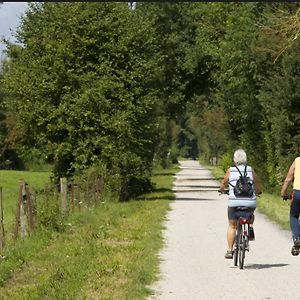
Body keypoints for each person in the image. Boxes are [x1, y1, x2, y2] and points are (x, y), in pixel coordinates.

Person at [219, 149, 262, 259]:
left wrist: (222, 189)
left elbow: (224, 182)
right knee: (251, 214)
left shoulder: (231, 170)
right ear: (246, 160)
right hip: (250, 202)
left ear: (234, 160)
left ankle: (229, 250)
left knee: (232, 226)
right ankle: (250, 227)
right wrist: (258, 191)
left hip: (234, 202)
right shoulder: (250, 170)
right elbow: (257, 183)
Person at [281, 157, 300, 256]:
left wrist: (283, 193)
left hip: (298, 193)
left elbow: (288, 178)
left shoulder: (297, 161)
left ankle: (297, 238)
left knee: (293, 216)